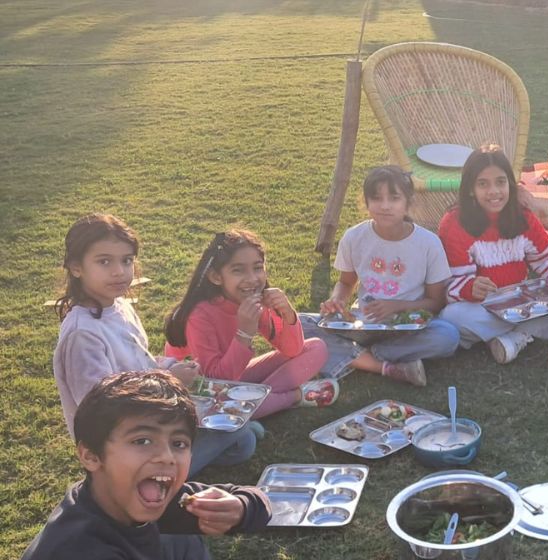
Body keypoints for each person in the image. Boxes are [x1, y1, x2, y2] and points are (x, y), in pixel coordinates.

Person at [0, 370, 284, 560]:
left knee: (182, 534)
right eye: (142, 441)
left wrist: (241, 507)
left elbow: (255, 500)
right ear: (90, 455)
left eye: (179, 443)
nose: (166, 457)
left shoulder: (131, 498)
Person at [52, 213, 256, 477]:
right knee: (240, 433)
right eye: (104, 262)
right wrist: (169, 379)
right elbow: (99, 409)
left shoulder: (120, 307)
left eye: (126, 261)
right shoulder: (82, 334)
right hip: (120, 451)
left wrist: (172, 366)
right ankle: (150, 478)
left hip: (150, 422)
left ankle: (180, 458)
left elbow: (139, 362)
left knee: (242, 438)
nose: (119, 272)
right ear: (76, 267)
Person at [438, 144, 548, 364]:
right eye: (483, 184)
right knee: (452, 317)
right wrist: (469, 287)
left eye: (501, 182)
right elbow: (448, 286)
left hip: (521, 302)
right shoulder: (454, 224)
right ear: (470, 189)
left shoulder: (522, 215)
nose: (494, 191)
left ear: (510, 184)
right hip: (482, 306)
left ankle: (514, 335)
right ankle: (526, 332)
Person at [300, 166, 459, 386]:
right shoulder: (354, 237)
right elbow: (346, 282)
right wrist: (337, 300)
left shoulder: (428, 243)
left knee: (447, 336)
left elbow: (436, 302)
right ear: (366, 202)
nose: (385, 206)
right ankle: (385, 365)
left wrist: (396, 306)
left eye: (394, 198)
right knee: (297, 325)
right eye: (376, 198)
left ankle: (362, 356)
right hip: (362, 323)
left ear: (407, 203)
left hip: (408, 327)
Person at [164, 229, 338, 417]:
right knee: (223, 405)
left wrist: (288, 315)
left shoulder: (254, 301)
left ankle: (252, 402)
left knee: (316, 347)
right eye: (238, 270)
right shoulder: (199, 315)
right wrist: (244, 333)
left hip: (232, 379)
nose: (253, 279)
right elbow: (215, 380)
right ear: (216, 277)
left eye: (257, 267)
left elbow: (292, 351)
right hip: (199, 388)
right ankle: (294, 397)